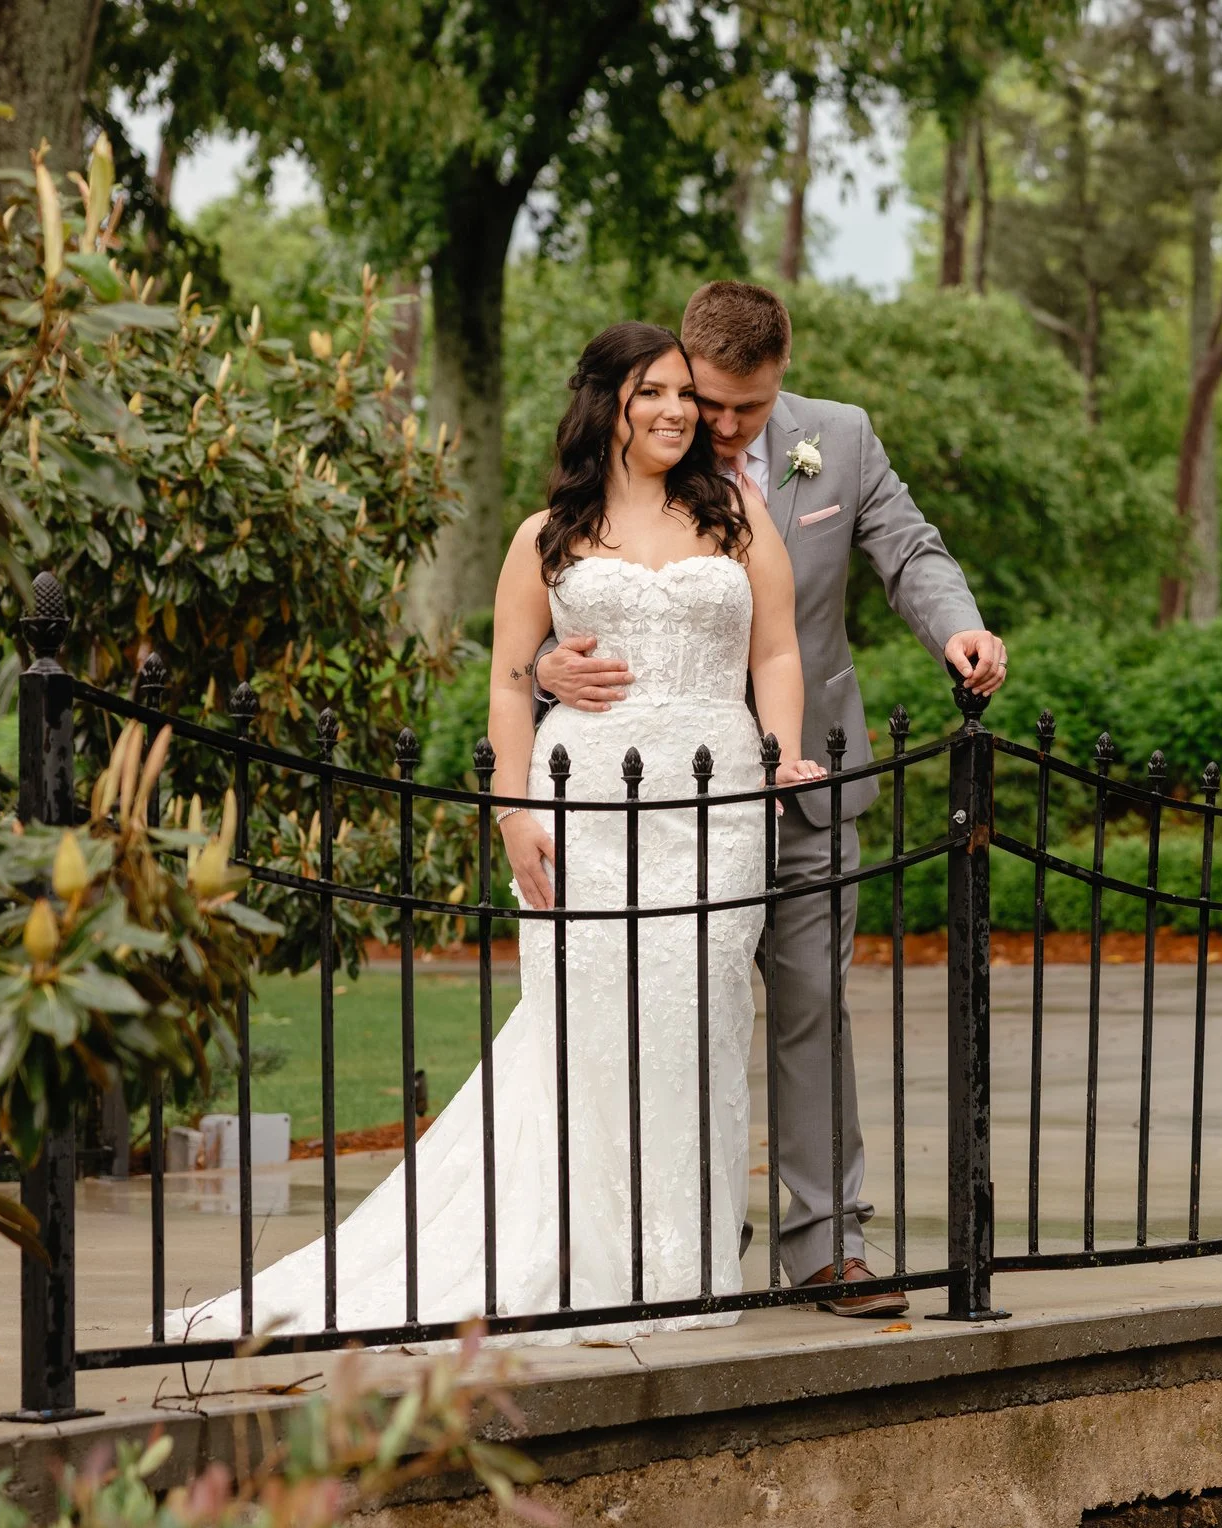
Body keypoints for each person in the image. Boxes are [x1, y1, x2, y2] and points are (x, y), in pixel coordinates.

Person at [170, 322, 826, 1344]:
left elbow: (777, 652)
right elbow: (509, 683)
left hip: (715, 812)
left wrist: (780, 753)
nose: (674, 412)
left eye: (684, 397)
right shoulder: (546, 537)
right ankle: (578, 1256)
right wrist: (515, 813)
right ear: (608, 402)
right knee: (588, 1024)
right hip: (591, 805)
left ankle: (682, 1263)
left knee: (695, 1023)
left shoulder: (736, 514)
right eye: (652, 392)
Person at [535, 282, 1005, 1316]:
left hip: (803, 784)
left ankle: (827, 1245)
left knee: (807, 1009)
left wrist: (958, 628)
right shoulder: (640, 433)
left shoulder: (840, 442)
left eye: (748, 406)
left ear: (783, 367)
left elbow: (910, 552)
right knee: (670, 1009)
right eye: (710, 403)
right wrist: (543, 667)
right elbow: (565, 578)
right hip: (654, 796)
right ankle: (685, 1236)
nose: (724, 427)